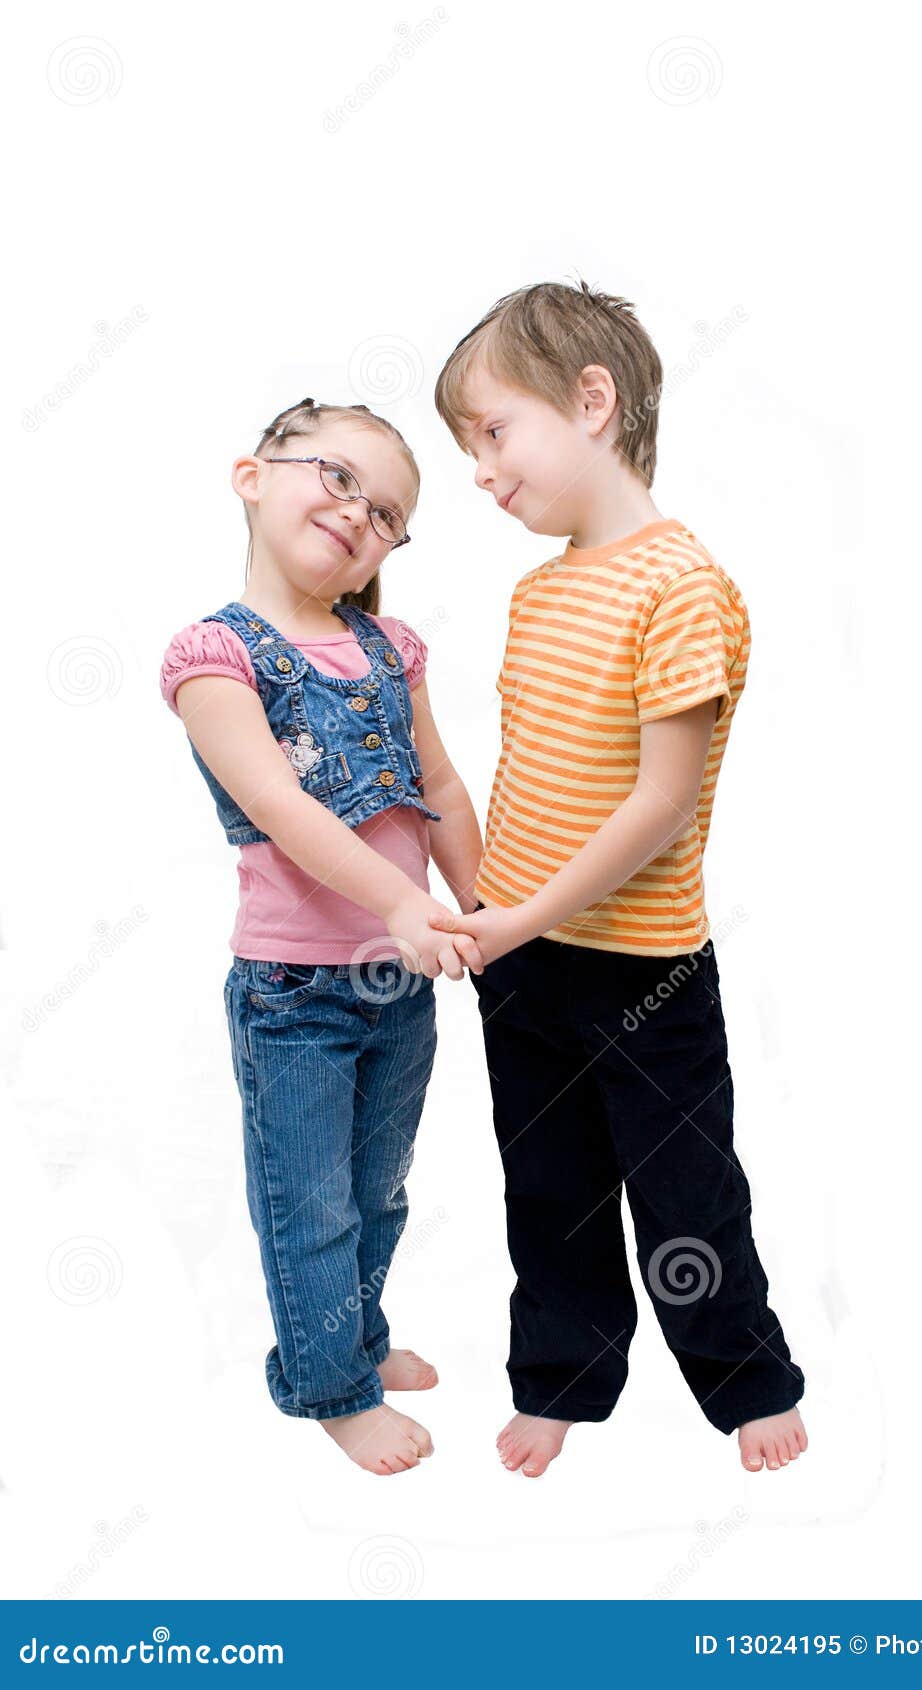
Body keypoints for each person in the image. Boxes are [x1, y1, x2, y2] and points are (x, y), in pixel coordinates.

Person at [431, 283, 808, 1478]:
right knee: (549, 1187)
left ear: (591, 401)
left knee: (686, 1190)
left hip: (642, 972)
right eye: (466, 448)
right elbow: (529, 771)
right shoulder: (541, 591)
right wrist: (488, 905)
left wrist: (520, 916)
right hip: (521, 960)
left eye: (494, 432)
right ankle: (562, 1376)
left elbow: (658, 806)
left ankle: (745, 1378)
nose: (481, 473)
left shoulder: (679, 582)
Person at [159, 396, 484, 1475]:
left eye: (387, 511)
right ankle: (327, 1385)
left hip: (403, 987)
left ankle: (356, 1336)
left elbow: (435, 783)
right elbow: (287, 812)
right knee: (311, 1203)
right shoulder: (217, 656)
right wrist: (398, 903)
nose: (358, 513)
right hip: (295, 992)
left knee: (380, 1188)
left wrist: (479, 910)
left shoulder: (391, 647)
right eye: (336, 476)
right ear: (252, 475)